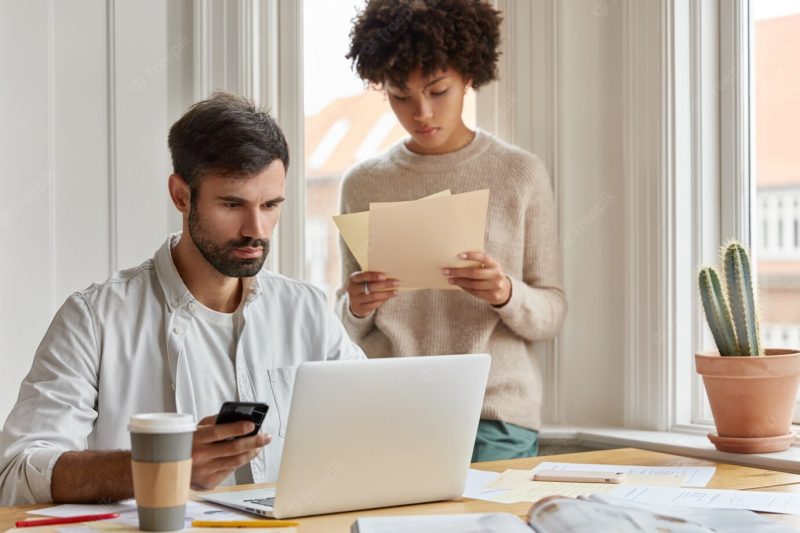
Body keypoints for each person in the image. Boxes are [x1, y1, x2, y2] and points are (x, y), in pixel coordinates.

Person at [0, 92, 365, 506]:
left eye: (271, 205)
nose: (257, 229)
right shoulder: (93, 318)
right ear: (181, 195)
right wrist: (161, 467)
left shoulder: (306, 311)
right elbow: (16, 473)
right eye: (232, 204)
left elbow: (374, 422)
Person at [338, 0, 566, 462]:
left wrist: (505, 292)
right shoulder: (362, 184)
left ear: (468, 77)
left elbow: (551, 311)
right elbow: (345, 323)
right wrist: (356, 306)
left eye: (438, 90)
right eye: (401, 96)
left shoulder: (519, 173)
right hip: (389, 407)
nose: (421, 112)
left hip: (494, 412)